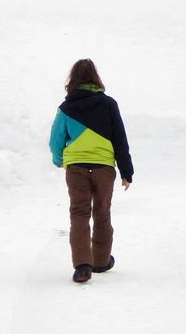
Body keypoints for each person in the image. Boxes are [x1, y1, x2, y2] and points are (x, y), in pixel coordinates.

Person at [49, 59, 134, 283]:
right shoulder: (109, 105)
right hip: (104, 167)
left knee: (79, 213)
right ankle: (101, 260)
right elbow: (120, 140)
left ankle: (82, 266)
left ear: (73, 80)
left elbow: (55, 140)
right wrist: (126, 171)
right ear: (96, 78)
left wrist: (60, 161)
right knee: (102, 212)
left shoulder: (66, 108)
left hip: (76, 167)